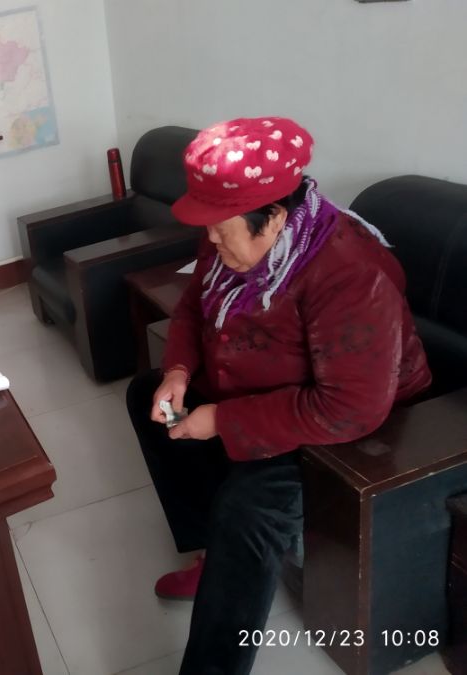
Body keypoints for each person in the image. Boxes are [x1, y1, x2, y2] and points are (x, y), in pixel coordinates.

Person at [125, 117, 431, 674]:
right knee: (150, 397)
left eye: (221, 230)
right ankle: (211, 554)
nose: (211, 241)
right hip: (264, 385)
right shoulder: (234, 231)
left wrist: (222, 419)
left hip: (352, 424)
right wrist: (178, 370)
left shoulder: (350, 274)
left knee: (250, 508)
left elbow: (350, 408)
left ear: (274, 219)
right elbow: (195, 304)